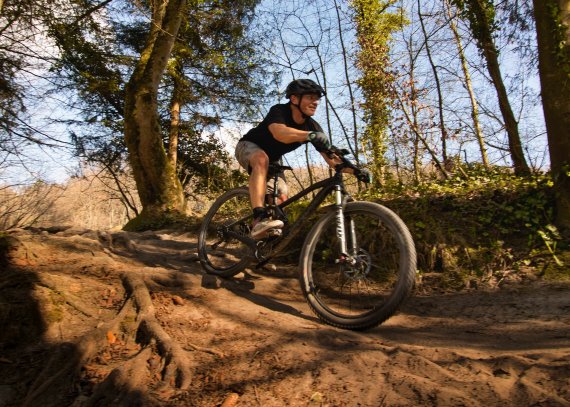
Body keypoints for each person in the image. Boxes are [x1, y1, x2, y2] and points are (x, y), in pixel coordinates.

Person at [235, 78, 364, 239]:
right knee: (261, 159)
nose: (315, 102)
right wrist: (309, 136)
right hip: (249, 146)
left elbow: (333, 161)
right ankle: (259, 217)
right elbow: (280, 133)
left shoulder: (313, 127)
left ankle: (258, 245)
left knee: (281, 198)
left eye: (317, 99)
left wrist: (356, 171)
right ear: (294, 99)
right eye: (310, 97)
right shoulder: (279, 111)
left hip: (273, 159)